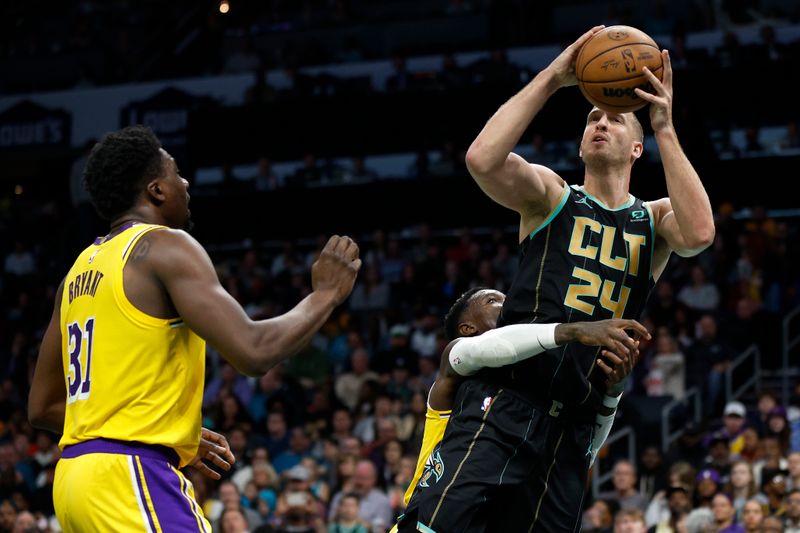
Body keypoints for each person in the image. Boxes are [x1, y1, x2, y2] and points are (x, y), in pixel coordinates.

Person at [401, 23, 715, 532]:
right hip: (505, 401)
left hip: (573, 420)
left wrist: (664, 125)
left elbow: (700, 232)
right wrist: (553, 77)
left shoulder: (654, 221)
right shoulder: (552, 195)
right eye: (593, 116)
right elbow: (481, 159)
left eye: (614, 120)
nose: (600, 122)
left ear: (638, 150)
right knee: (435, 526)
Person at [27, 126, 362, 532]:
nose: (185, 183)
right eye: (176, 173)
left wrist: (160, 426)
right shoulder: (165, 246)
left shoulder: (77, 271)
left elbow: (42, 407)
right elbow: (253, 351)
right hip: (130, 475)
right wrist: (324, 296)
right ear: (156, 191)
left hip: (74, 484)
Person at [394, 287, 648, 532]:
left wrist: (613, 392)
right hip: (431, 518)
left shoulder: (535, 391)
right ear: (468, 328)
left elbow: (586, 452)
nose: (510, 303)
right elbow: (489, 347)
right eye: (493, 300)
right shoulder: (457, 365)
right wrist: (574, 331)